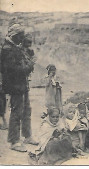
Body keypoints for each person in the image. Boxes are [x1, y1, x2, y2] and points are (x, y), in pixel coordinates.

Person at [0, 23, 37, 152]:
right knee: (16, 112)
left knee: (27, 109)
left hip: (21, 84)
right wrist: (29, 66)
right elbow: (12, 70)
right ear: (15, 35)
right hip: (15, 86)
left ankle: (27, 136)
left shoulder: (13, 46)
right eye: (21, 36)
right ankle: (14, 141)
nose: (22, 39)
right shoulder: (7, 49)